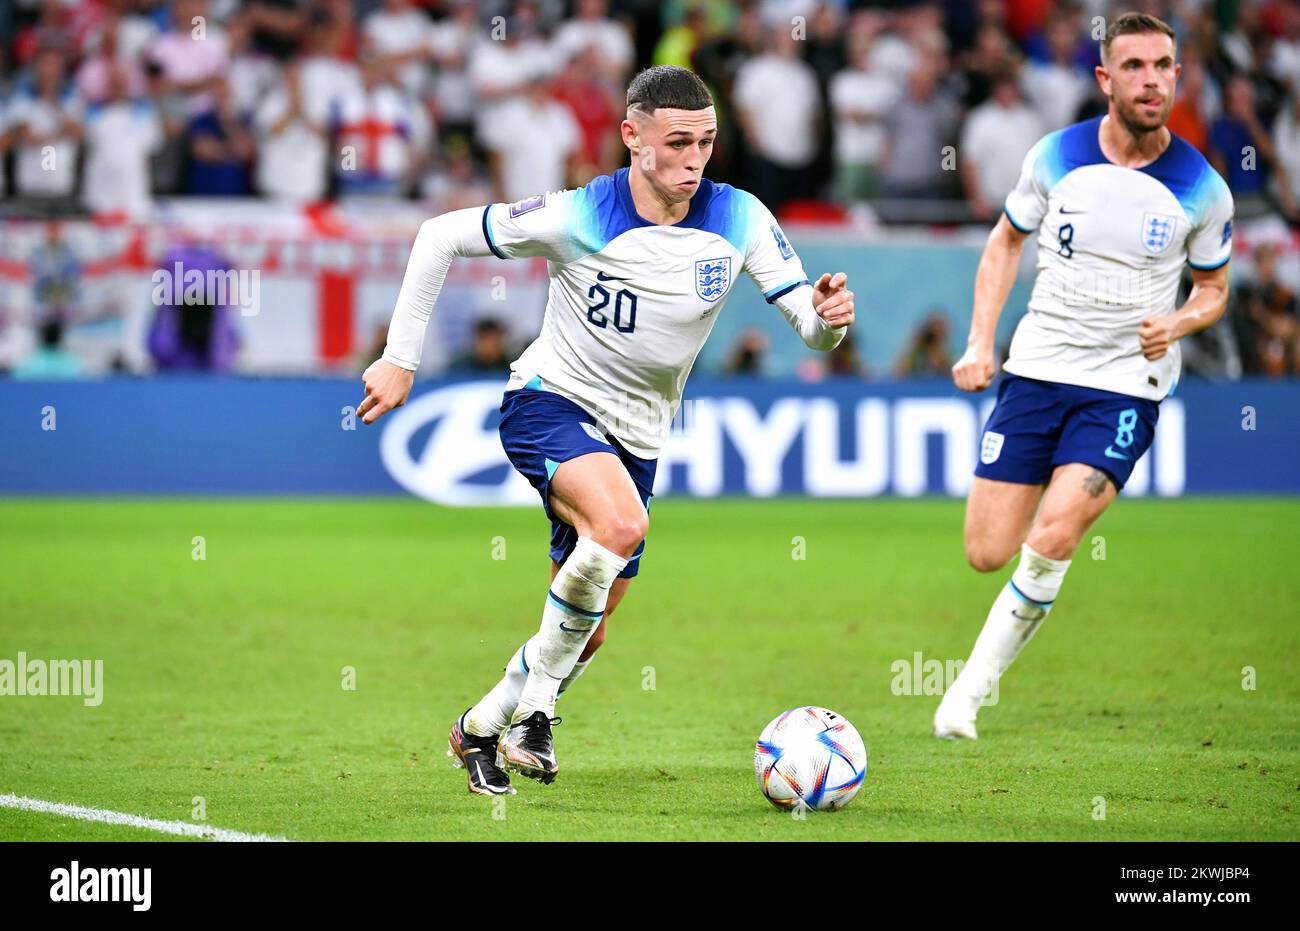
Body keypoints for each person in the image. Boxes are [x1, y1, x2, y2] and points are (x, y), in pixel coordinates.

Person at [358, 65, 855, 795]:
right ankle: (537, 714)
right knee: (619, 525)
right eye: (677, 141)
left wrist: (831, 322)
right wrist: (401, 360)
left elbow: (810, 331)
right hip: (548, 402)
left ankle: (479, 727)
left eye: (707, 143)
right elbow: (439, 237)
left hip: (639, 438)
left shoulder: (741, 216)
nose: (693, 159)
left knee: (590, 624)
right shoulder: (578, 214)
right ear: (632, 137)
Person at [934, 13, 1233, 740]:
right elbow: (1004, 243)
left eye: (1164, 65)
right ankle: (1028, 569)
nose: (1152, 79)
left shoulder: (1202, 187)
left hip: (1126, 384)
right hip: (1037, 370)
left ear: (1177, 75)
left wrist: (1181, 323)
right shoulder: (1056, 156)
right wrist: (981, 343)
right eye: (1134, 66)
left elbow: (1214, 289)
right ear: (1105, 79)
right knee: (986, 551)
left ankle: (965, 697)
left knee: (1060, 529)